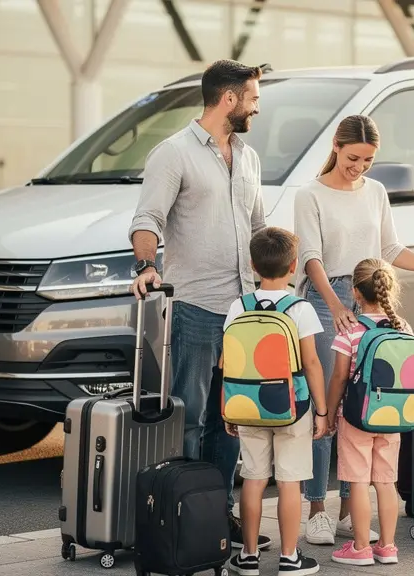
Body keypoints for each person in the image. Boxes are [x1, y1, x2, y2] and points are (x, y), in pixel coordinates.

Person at [292, 114, 414, 545]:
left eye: (368, 161)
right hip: (326, 296)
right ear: (336, 146)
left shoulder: (375, 192)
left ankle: (350, 510)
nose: (359, 167)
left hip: (370, 297)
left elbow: (390, 249)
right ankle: (316, 508)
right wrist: (336, 307)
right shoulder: (309, 195)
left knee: (363, 403)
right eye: (353, 157)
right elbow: (311, 257)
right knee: (325, 404)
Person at [128, 59, 272, 551]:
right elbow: (148, 218)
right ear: (228, 99)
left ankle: (215, 513)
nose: (257, 106)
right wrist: (147, 266)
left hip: (242, 314)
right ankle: (181, 518)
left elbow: (257, 231)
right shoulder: (173, 154)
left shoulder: (248, 158)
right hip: (194, 308)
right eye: (253, 98)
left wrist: (276, 282)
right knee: (189, 420)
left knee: (231, 418)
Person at [223, 227, 328, 576]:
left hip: (248, 404)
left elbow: (229, 361)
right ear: (294, 266)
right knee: (289, 481)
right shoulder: (300, 308)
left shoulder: (239, 305)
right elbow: (311, 363)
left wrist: (228, 405)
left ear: (252, 265)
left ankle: (249, 556)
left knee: (253, 478)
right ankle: (288, 557)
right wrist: (322, 410)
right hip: (291, 406)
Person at [326, 258, 410, 566]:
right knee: (386, 481)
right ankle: (387, 547)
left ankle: (361, 547)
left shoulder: (350, 331)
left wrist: (329, 413)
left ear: (355, 293)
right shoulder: (403, 327)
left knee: (358, 480)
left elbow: (338, 378)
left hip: (356, 415)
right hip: (392, 414)